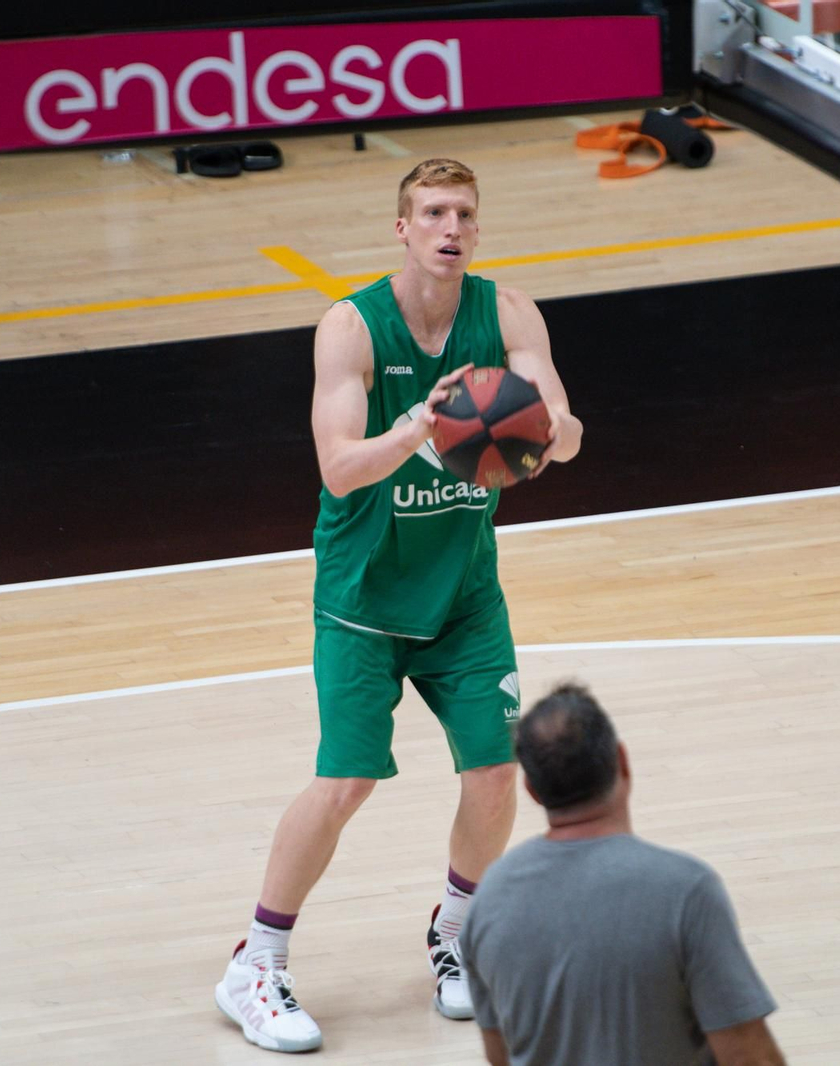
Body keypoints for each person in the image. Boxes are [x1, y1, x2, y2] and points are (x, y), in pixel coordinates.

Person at [214, 158, 583, 1054]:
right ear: (402, 228)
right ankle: (255, 962)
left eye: (462, 213)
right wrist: (423, 424)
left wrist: (524, 421)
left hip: (462, 593)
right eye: (431, 212)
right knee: (345, 783)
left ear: (477, 229)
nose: (448, 227)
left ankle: (455, 934)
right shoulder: (351, 326)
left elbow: (567, 442)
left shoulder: (508, 314)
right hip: (362, 598)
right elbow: (338, 467)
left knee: (496, 775)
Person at [461, 683, 788, 1066]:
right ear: (622, 761)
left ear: (531, 788)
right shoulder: (685, 891)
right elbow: (748, 1056)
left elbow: (500, 1056)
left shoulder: (488, 901)